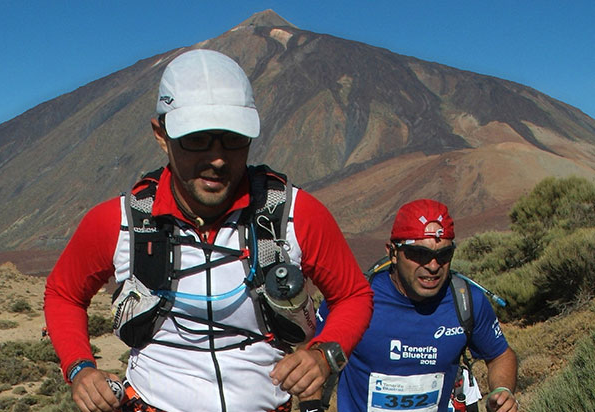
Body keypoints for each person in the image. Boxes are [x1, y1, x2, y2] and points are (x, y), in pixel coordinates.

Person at [44, 49, 373, 412]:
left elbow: (353, 295)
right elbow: (64, 293)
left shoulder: (295, 214)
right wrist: (79, 367)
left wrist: (325, 356)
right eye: (196, 139)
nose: (217, 158)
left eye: (233, 139)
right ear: (161, 134)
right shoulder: (120, 221)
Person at [316, 199, 518, 412]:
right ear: (393, 253)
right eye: (419, 254)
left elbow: (500, 355)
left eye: (444, 255)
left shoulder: (467, 300)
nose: (433, 266)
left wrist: (502, 391)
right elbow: (312, 358)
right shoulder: (352, 299)